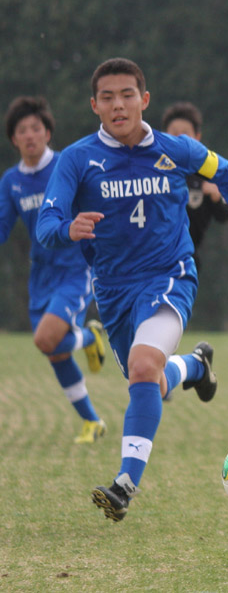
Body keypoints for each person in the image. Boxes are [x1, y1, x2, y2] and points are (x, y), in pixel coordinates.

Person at [36, 58, 228, 522]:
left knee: (143, 368)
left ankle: (125, 485)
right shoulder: (77, 160)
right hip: (114, 291)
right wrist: (68, 228)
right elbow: (46, 225)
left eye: (127, 94)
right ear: (94, 106)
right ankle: (196, 367)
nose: (118, 104)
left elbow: (226, 174)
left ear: (145, 100)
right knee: (152, 379)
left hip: (170, 275)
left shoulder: (177, 150)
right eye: (107, 97)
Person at [1, 96, 108, 444]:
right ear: (13, 139)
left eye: (36, 128)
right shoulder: (11, 181)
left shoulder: (66, 164)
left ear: (48, 132)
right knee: (56, 351)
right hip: (42, 274)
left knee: (46, 339)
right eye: (21, 131)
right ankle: (92, 422)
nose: (30, 135)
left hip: (75, 268)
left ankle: (92, 336)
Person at [162, 102, 228, 270]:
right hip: (153, 255)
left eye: (185, 133)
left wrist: (216, 196)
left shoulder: (207, 172)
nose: (179, 138)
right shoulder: (154, 169)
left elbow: (225, 215)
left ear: (197, 137)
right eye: (174, 133)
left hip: (187, 258)